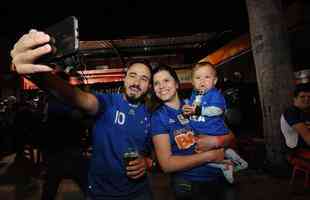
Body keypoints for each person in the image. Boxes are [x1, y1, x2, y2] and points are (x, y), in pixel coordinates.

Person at [10, 29, 154, 200]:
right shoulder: (107, 103)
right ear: (124, 78)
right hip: (103, 194)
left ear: (149, 86)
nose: (137, 83)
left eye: (144, 79)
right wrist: (35, 73)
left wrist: (148, 162)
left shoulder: (151, 113)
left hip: (140, 193)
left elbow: (154, 152)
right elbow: (78, 97)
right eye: (133, 75)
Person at [151, 63, 236, 200]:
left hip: (220, 176)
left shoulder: (195, 104)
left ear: (177, 84)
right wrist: (210, 156)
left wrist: (216, 141)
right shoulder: (158, 117)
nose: (161, 86)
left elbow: (231, 136)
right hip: (188, 183)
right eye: (156, 83)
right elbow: (166, 165)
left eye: (166, 80)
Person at [182, 62, 248, 183]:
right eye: (198, 78)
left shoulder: (215, 94)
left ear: (215, 80)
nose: (202, 81)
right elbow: (191, 111)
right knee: (216, 151)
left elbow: (217, 110)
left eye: (207, 77)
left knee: (201, 154)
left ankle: (225, 165)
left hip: (213, 131)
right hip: (201, 132)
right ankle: (237, 161)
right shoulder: (194, 94)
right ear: (192, 82)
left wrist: (198, 110)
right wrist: (187, 109)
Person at [39, 94, 89, 200]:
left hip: (57, 151)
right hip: (72, 150)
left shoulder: (51, 104)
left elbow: (45, 128)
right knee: (88, 186)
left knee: (49, 189)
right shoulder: (73, 104)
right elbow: (82, 125)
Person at [280, 82, 310, 160]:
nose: (307, 99)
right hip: (297, 152)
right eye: (302, 97)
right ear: (295, 98)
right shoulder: (291, 112)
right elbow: (307, 137)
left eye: (309, 96)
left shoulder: (305, 111)